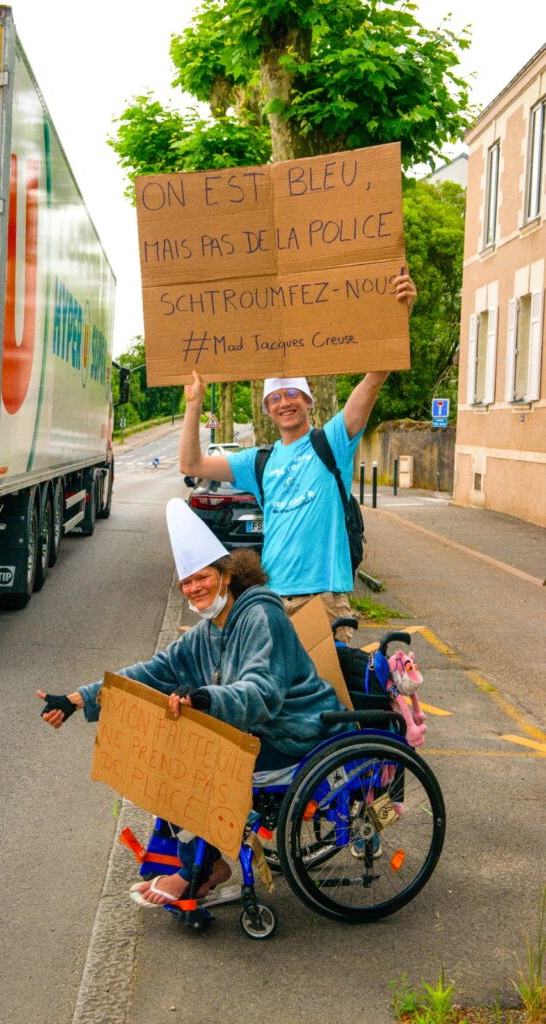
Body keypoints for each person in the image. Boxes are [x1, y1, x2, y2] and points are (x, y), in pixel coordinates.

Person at [37, 498, 345, 908]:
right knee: (170, 751)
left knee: (195, 763)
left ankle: (197, 869)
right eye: (187, 583)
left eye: (202, 578)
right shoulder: (208, 631)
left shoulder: (260, 618)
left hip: (296, 732)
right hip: (261, 731)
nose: (195, 589)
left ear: (227, 575)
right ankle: (198, 864)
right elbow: (153, 671)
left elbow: (262, 695)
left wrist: (203, 697)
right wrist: (79, 698)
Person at [178, 272, 417, 640]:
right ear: (268, 410)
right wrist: (193, 405)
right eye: (275, 398)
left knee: (322, 697)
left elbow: (374, 376)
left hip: (324, 600)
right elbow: (191, 465)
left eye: (292, 394)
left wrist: (398, 315)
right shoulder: (258, 461)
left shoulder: (332, 441)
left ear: (308, 400)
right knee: (273, 697)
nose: (284, 403)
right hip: (271, 600)